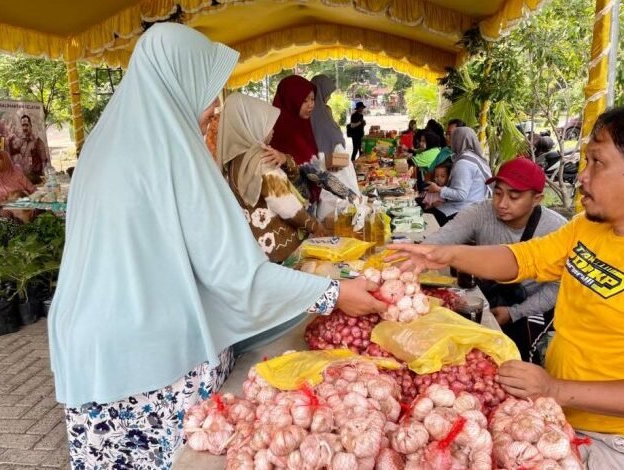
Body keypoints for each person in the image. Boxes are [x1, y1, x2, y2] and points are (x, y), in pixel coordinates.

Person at [48, 23, 386, 470]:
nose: (214, 109)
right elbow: (233, 274)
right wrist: (335, 293)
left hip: (87, 348)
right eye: (210, 91)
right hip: (154, 356)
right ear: (179, 81)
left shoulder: (100, 146)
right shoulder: (176, 152)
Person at [389, 105, 624, 469]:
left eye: (597, 162)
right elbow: (523, 259)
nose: (582, 176)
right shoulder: (589, 228)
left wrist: (554, 389)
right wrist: (442, 253)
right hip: (566, 418)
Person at [426, 157, 566, 362]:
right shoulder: (481, 212)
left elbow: (558, 288)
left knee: (519, 352)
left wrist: (514, 312)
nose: (501, 204)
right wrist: (414, 255)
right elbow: (440, 240)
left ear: (537, 199)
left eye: (514, 196)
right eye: (497, 193)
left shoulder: (556, 230)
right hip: (490, 293)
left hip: (530, 304)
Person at [220, 93, 327, 263]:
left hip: (255, 247)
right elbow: (285, 205)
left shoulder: (233, 160)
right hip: (280, 248)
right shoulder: (262, 161)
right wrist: (315, 226)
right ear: (253, 125)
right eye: (268, 125)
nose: (273, 130)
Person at [270, 75, 357, 207]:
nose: (311, 105)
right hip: (293, 207)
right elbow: (317, 174)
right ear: (291, 100)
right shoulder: (289, 133)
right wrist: (351, 196)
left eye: (313, 99)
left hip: (302, 201)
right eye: (304, 101)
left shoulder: (301, 127)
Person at [310, 75, 362, 220]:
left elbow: (336, 143)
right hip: (326, 173)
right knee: (334, 215)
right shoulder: (308, 117)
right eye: (327, 94)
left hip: (337, 168)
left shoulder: (326, 112)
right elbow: (310, 156)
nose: (328, 98)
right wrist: (328, 161)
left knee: (346, 214)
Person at [426, 127, 491, 227]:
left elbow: (461, 195)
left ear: (458, 140)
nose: (449, 140)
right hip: (475, 208)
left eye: (452, 137)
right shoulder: (476, 158)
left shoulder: (463, 163)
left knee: (424, 218)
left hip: (463, 212)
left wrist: (438, 189)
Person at [7, 114, 48, 183]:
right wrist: (10, 140)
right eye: (23, 125)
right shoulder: (22, 141)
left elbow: (44, 160)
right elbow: (12, 152)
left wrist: (44, 177)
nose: (25, 128)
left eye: (26, 125)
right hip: (26, 177)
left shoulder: (37, 141)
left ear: (31, 126)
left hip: (36, 177)